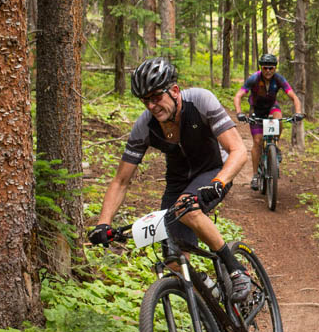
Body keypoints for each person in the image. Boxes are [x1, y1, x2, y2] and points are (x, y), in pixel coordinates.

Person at [88, 56, 253, 300]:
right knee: (173, 262)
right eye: (146, 100)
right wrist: (103, 223)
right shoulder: (145, 126)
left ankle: (236, 269)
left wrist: (219, 183)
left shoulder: (200, 101)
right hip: (177, 183)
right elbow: (121, 181)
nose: (152, 106)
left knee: (189, 208)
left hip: (213, 171)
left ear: (174, 91)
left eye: (156, 97)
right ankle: (212, 298)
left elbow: (238, 151)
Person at [233, 53, 303, 191]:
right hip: (256, 110)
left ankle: (274, 146)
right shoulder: (254, 78)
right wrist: (239, 112)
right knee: (258, 142)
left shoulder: (278, 79)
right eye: (265, 68)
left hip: (272, 108)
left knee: (279, 118)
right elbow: (238, 96)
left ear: (275, 68)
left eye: (271, 68)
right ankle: (254, 176)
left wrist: (298, 112)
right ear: (261, 68)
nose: (268, 71)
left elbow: (293, 96)